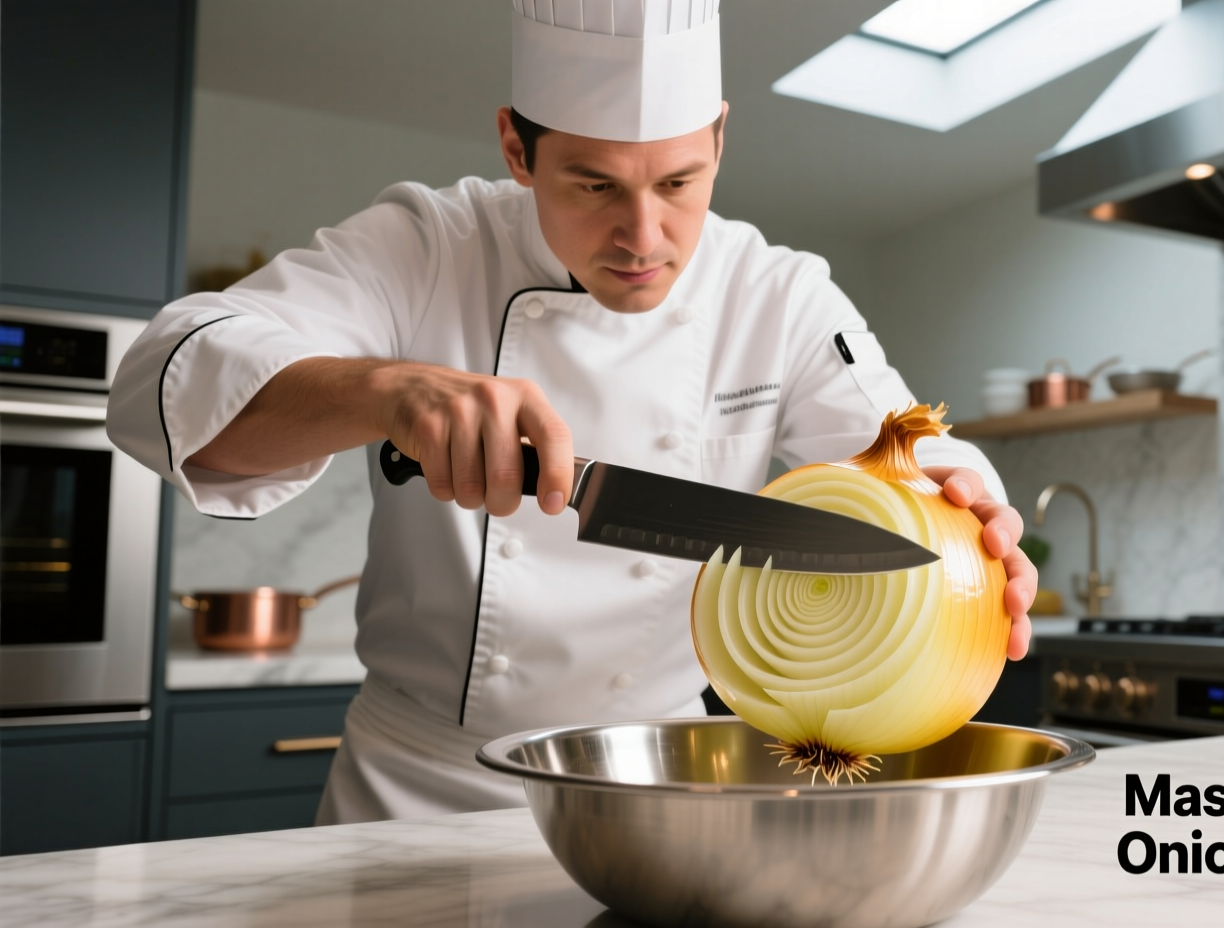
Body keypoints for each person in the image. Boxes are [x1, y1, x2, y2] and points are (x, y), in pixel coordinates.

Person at [108, 1, 1035, 824]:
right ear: (517, 147)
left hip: (661, 789)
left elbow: (904, 455)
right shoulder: (428, 246)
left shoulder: (779, 294)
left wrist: (975, 525)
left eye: (678, 183)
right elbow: (163, 376)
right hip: (418, 792)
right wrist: (386, 390)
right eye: (593, 185)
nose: (643, 237)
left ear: (718, 136)